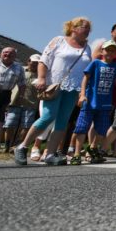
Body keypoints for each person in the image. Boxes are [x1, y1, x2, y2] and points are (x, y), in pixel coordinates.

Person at [14, 17, 93, 166]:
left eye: (89, 28)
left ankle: (50, 154)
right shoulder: (58, 40)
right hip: (54, 85)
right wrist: (42, 78)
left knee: (63, 120)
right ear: (74, 28)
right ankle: (22, 146)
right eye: (84, 27)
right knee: (48, 117)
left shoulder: (87, 47)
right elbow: (44, 60)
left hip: (73, 88)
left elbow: (86, 72)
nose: (88, 30)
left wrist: (82, 92)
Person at [71, 40, 116, 165]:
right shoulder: (95, 63)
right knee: (82, 127)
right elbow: (85, 78)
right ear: (102, 51)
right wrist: (82, 95)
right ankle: (76, 154)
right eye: (108, 49)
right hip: (90, 100)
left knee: (102, 129)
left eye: (113, 50)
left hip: (105, 103)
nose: (110, 52)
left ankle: (92, 148)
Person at [91, 23, 116, 156]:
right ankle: (91, 148)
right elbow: (94, 63)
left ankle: (100, 148)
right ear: (112, 31)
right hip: (103, 85)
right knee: (97, 116)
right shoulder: (103, 44)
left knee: (107, 117)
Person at [3, 54, 41, 151]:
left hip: (31, 103)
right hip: (15, 102)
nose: (35, 64)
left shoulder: (41, 76)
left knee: (26, 126)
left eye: (37, 63)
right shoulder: (20, 70)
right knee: (9, 124)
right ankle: (7, 146)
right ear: (28, 61)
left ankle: (16, 145)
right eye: (33, 62)